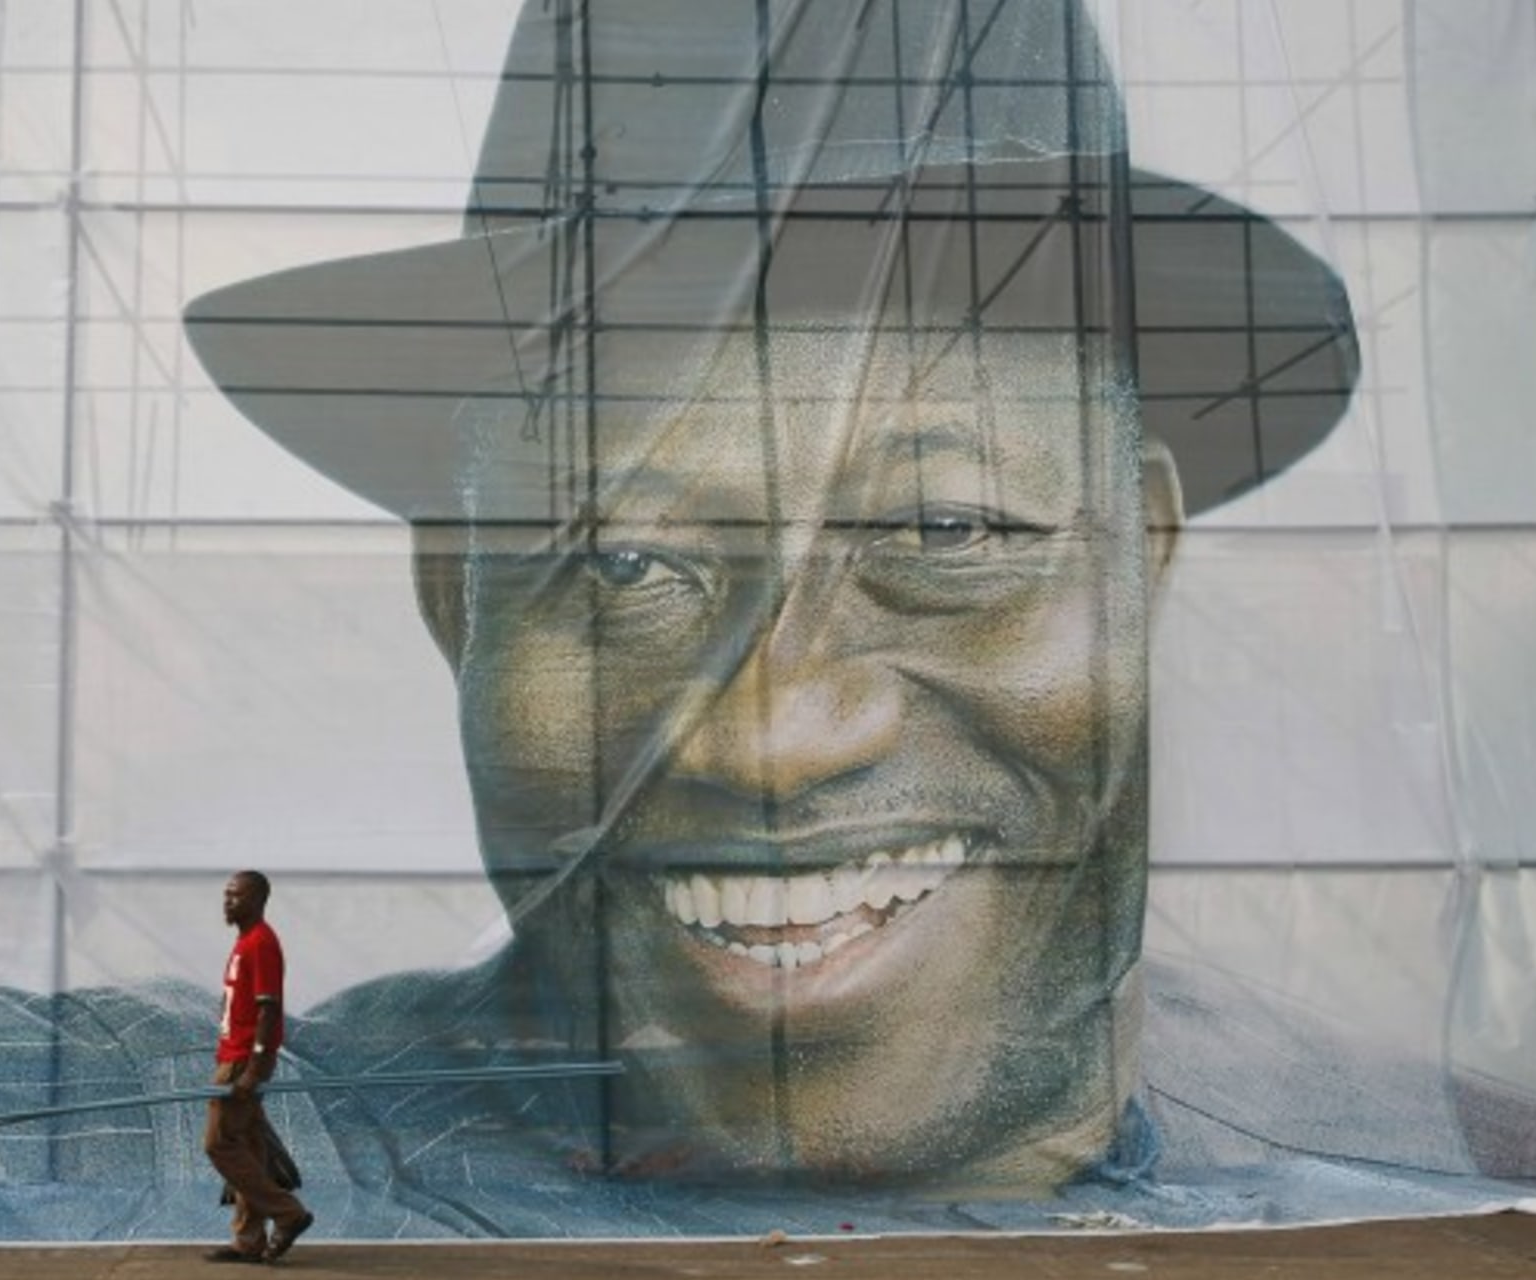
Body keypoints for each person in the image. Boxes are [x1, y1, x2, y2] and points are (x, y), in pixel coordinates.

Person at [181, 0, 1358, 1194]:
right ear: (459, 597)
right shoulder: (232, 1147)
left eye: (942, 530)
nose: (769, 735)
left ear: (1136, 557)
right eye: (624, 563)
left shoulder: (1431, 1176)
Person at [203, 870, 313, 1263]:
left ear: (257, 900)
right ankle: (248, 1240)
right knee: (249, 1146)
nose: (227, 902)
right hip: (232, 1055)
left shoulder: (261, 943)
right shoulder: (244, 942)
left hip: (242, 1061)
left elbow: (268, 1010)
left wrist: (253, 1068)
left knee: (218, 1144)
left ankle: (289, 1214)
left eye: (236, 896)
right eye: (226, 895)